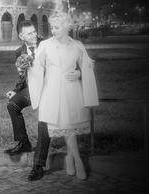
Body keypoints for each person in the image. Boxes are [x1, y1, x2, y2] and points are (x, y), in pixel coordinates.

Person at [27, 11, 99, 180]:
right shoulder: (45, 45)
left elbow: (87, 67)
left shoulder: (78, 46)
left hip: (72, 91)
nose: (53, 30)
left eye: (57, 27)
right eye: (52, 27)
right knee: (67, 126)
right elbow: (36, 67)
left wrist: (79, 74)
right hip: (52, 92)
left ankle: (70, 157)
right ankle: (78, 160)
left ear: (67, 26)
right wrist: (26, 66)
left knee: (70, 126)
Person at [4, 20, 44, 155]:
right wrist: (16, 91)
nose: (34, 36)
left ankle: (43, 147)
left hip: (48, 89)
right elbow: (23, 76)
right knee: (12, 105)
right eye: (29, 34)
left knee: (43, 115)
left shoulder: (46, 45)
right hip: (32, 89)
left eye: (34, 32)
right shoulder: (20, 52)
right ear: (21, 36)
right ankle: (24, 143)